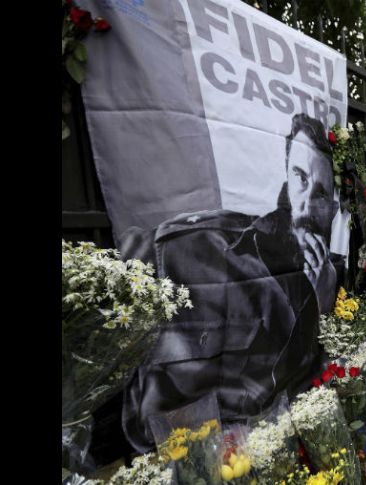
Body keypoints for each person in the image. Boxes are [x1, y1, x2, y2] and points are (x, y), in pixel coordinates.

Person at [119, 113, 341, 451]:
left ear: (334, 210)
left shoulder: (326, 278)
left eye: (322, 194)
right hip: (177, 457)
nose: (306, 206)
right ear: (284, 179)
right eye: (299, 177)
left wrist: (317, 306)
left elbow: (298, 383)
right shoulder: (194, 245)